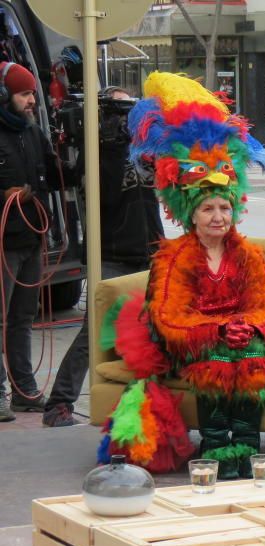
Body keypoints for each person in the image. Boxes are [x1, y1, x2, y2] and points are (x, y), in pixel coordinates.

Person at [98, 72, 265, 477]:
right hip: (190, 342)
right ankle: (216, 446)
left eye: (223, 209)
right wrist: (214, 332)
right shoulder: (175, 257)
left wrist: (246, 327)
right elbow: (167, 317)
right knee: (217, 356)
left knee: (249, 354)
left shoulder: (249, 254)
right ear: (191, 213)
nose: (218, 217)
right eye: (208, 209)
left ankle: (248, 447)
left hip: (239, 334)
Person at [43, 86, 165, 427]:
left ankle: (147, 404)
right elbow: (104, 197)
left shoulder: (147, 149)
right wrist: (109, 147)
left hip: (152, 251)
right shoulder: (97, 152)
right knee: (93, 332)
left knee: (159, 330)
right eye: (120, 112)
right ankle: (59, 404)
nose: (126, 120)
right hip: (111, 254)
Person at [0, 62, 59, 422]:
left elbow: (53, 179)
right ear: (5, 97)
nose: (31, 100)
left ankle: (24, 391)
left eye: (33, 94)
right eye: (24, 94)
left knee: (22, 318)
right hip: (3, 243)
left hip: (32, 240)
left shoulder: (34, 133)